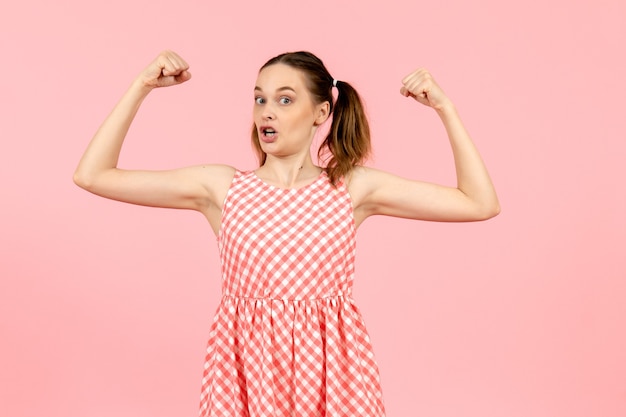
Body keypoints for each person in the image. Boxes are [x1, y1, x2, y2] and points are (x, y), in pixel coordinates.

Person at [74, 50, 499, 417]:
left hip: (335, 375)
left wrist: (446, 108)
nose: (266, 112)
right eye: (259, 99)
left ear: (320, 113)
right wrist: (141, 85)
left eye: (284, 99)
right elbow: (93, 175)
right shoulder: (222, 188)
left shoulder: (351, 187)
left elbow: (479, 203)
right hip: (244, 370)